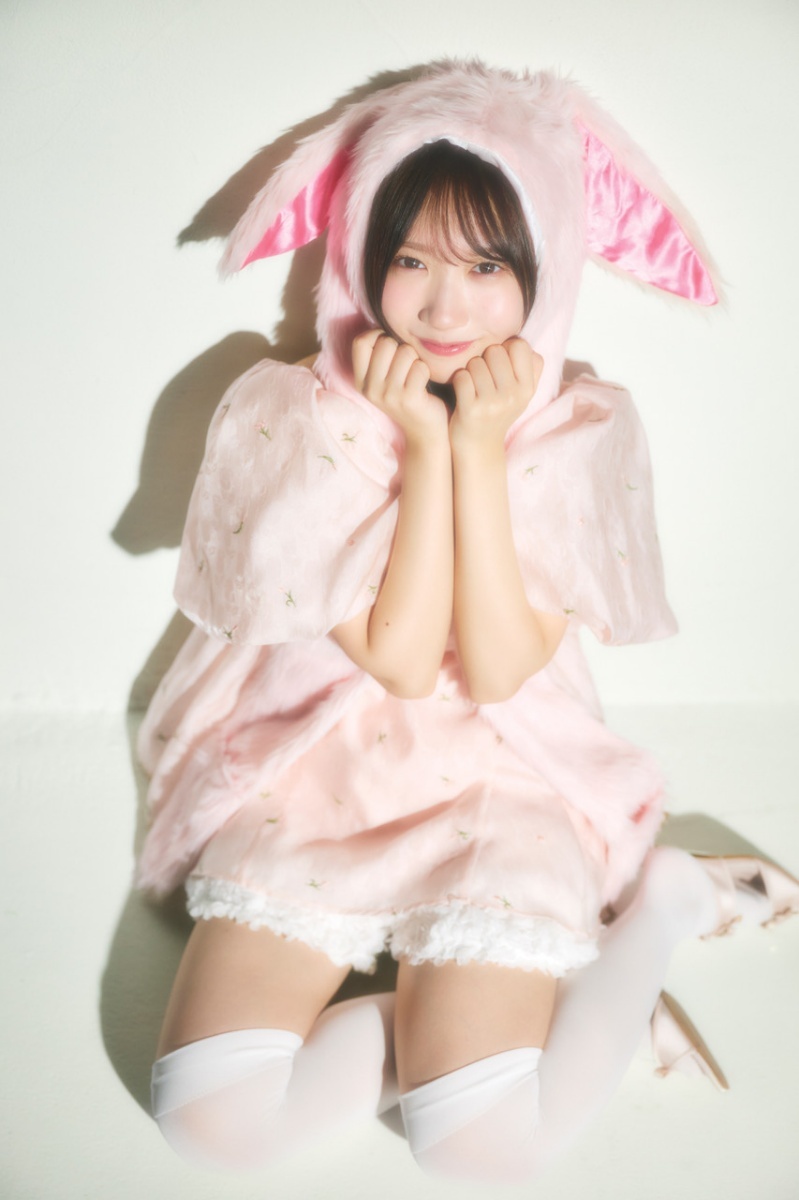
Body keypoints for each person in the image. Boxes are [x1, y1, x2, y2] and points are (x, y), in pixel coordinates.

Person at [138, 62, 798, 1182]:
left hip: (504, 776)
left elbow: (494, 670)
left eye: (487, 267)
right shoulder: (297, 416)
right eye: (412, 261)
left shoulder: (579, 428)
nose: (445, 310)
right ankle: (544, 1014)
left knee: (479, 1154)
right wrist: (427, 444)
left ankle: (664, 903)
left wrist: (479, 445)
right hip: (324, 766)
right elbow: (400, 661)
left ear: (546, 266)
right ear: (361, 253)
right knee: (208, 1123)